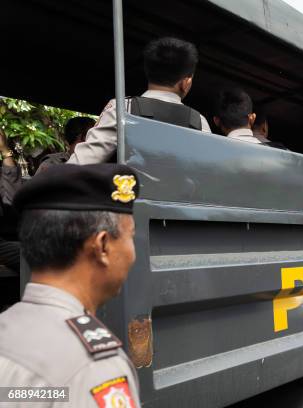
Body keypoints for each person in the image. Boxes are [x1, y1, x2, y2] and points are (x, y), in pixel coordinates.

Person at [0, 163, 142, 407]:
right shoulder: (93, 368)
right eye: (131, 237)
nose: (133, 253)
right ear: (103, 245)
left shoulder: (8, 329)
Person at [68, 37, 211, 164]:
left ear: (148, 72)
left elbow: (81, 163)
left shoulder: (122, 109)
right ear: (186, 82)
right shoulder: (198, 122)